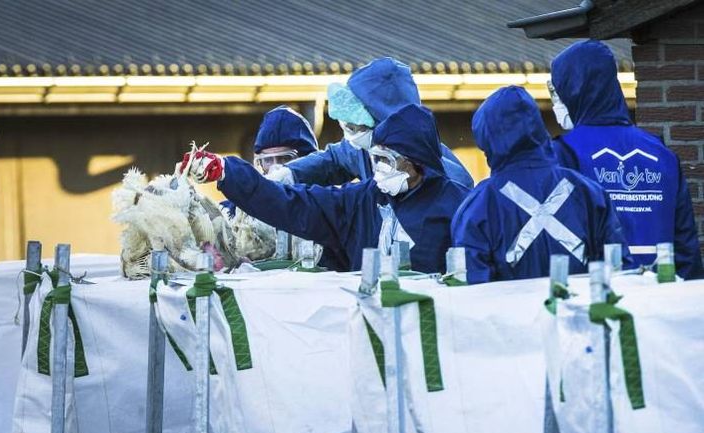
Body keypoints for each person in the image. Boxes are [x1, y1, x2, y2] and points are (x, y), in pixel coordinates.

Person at [181, 104, 470, 273]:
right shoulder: (362, 200)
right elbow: (291, 203)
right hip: (369, 336)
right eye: (375, 158)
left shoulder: (458, 206)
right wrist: (228, 172)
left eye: (387, 160)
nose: (379, 168)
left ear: (417, 161)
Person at [549, 39, 703, 279]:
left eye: (559, 91)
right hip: (664, 297)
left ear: (574, 88)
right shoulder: (662, 154)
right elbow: (686, 248)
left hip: (604, 300)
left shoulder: (563, 153)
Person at [451, 86, 626, 283]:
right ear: (538, 128)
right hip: (582, 312)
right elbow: (618, 273)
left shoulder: (477, 206)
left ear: (486, 138)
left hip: (510, 313)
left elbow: (471, 292)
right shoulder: (590, 193)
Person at [274, 57, 475, 191]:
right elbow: (334, 159)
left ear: (385, 122)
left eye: (358, 127)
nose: (351, 135)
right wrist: (290, 173)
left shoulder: (447, 177)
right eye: (348, 126)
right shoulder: (365, 149)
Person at [220, 105, 319, 217]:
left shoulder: (326, 205)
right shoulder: (246, 210)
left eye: (285, 158)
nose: (275, 168)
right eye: (267, 160)